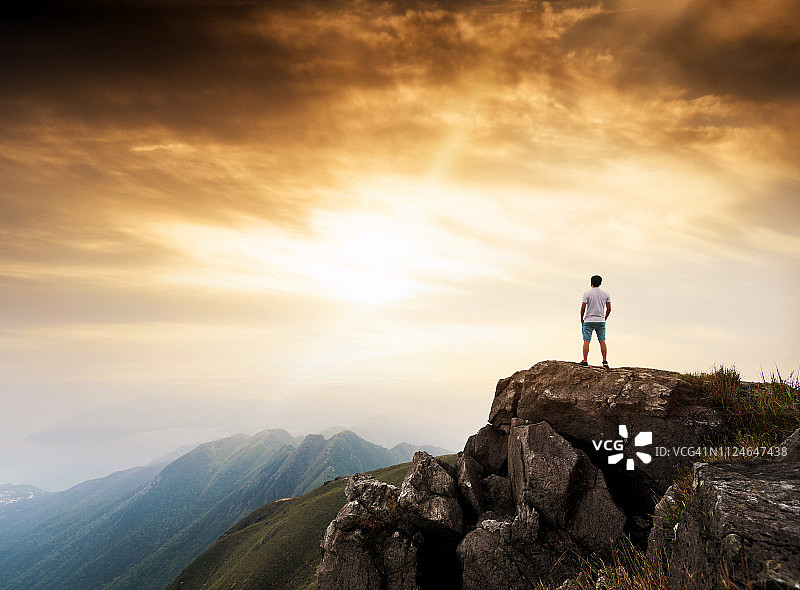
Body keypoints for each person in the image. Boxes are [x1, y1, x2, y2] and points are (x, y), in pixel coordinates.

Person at [579, 275, 611, 369]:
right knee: (602, 341)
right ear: (600, 283)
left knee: (586, 340)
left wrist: (582, 318)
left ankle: (585, 361)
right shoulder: (606, 294)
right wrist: (604, 318)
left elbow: (583, 307)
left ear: (591, 282)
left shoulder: (586, 293)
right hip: (600, 320)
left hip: (589, 320)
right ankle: (605, 361)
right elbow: (609, 308)